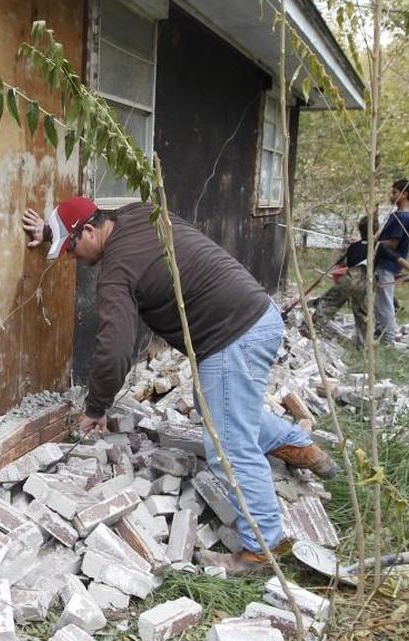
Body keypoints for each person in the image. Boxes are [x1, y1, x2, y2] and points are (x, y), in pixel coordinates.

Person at [22, 196, 338, 575]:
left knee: (227, 445)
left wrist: (96, 407)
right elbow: (82, 227)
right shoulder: (137, 213)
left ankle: (261, 550)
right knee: (219, 408)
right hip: (255, 312)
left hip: (232, 335)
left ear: (90, 230)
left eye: (71, 247)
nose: (73, 257)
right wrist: (50, 232)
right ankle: (299, 448)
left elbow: (115, 350)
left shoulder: (116, 272)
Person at [313, 215, 409, 347]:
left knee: (328, 302)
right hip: (364, 284)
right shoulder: (379, 247)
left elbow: (345, 265)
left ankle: (314, 327)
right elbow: (399, 259)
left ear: (360, 230)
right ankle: (364, 346)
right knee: (362, 316)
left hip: (347, 280)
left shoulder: (353, 247)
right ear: (376, 231)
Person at [374, 179, 409, 344]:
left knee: (385, 302)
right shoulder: (395, 215)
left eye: (394, 192)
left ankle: (389, 339)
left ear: (404, 194)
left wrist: (374, 242)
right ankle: (381, 331)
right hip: (382, 263)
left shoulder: (403, 218)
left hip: (388, 264)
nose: (390, 195)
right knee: (380, 301)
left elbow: (392, 243)